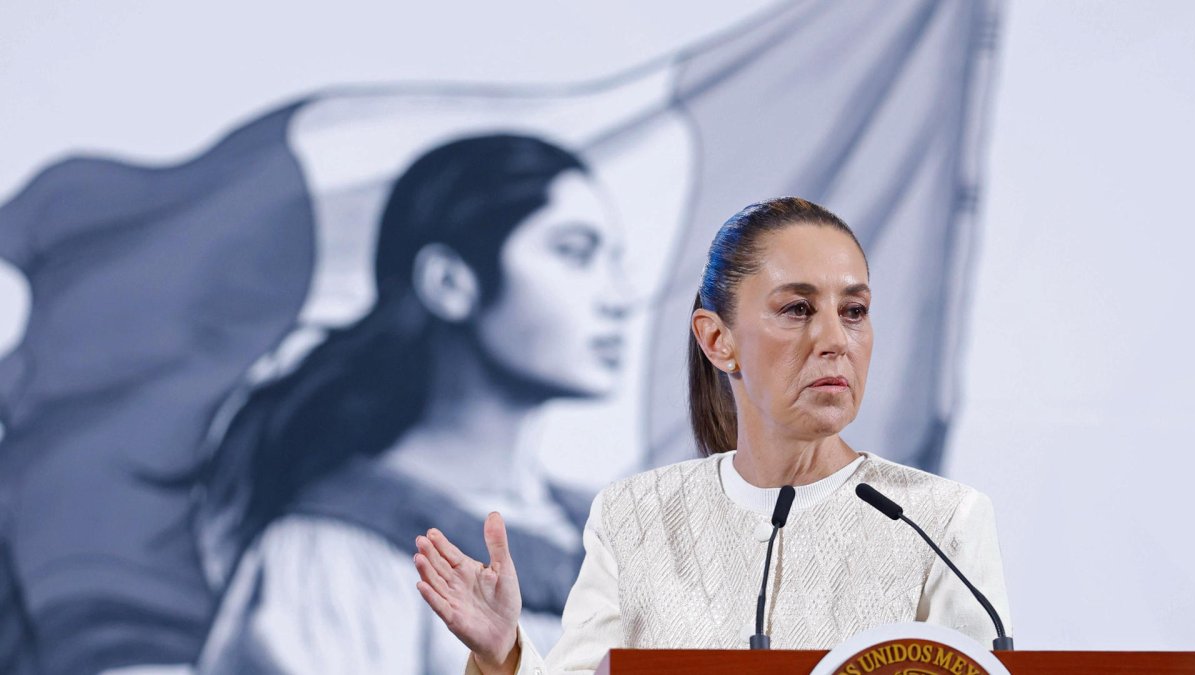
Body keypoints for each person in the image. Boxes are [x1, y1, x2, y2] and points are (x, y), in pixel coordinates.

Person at [413, 197, 1011, 675]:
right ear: (718, 340)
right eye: (798, 309)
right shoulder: (633, 516)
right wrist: (502, 657)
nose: (835, 339)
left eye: (854, 311)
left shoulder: (940, 522)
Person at [194, 133, 628, 674]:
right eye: (573, 253)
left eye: (614, 261)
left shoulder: (612, 536)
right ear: (449, 282)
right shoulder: (335, 552)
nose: (618, 298)